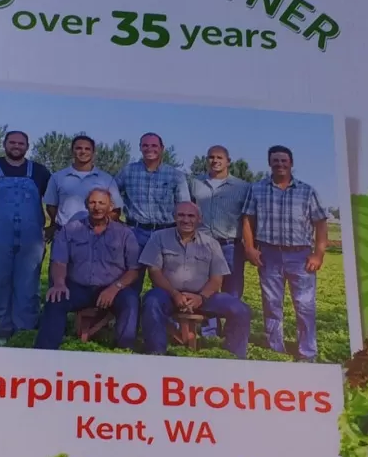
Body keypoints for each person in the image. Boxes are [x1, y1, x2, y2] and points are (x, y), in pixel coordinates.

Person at [240, 144, 328, 362]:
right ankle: (274, 348)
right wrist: (250, 249)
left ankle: (307, 352)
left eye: (284, 161)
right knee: (271, 303)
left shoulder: (307, 191)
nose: (280, 164)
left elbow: (321, 224)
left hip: (301, 256)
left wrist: (318, 255)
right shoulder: (257, 189)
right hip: (269, 254)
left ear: (291, 163)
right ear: (270, 163)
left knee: (305, 305)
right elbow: (247, 220)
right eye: (275, 160)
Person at [0, 131, 51, 345]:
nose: (16, 146)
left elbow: (53, 201)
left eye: (21, 143)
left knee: (28, 285)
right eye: (12, 142)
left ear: (27, 146)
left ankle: (25, 330)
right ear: (4, 144)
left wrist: (54, 226)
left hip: (30, 241)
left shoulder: (40, 172)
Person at [139, 202, 251, 358]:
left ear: (199, 219)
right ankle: (156, 352)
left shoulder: (211, 243)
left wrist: (201, 297)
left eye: (191, 216)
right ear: (174, 217)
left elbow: (217, 279)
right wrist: (175, 294)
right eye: (181, 215)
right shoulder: (158, 237)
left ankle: (235, 357)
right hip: (169, 295)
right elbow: (154, 272)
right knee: (151, 301)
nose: (186, 220)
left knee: (241, 310)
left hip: (203, 297)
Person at [34, 189, 140, 350]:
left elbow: (134, 269)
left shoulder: (125, 234)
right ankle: (45, 353)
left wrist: (115, 288)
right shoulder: (70, 230)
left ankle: (124, 350)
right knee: (55, 299)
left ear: (111, 207)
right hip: (79, 287)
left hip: (112, 288)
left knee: (131, 300)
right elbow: (59, 262)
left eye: (101, 203)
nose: (97, 207)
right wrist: (60, 284)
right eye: (92, 202)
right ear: (86, 206)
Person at [115, 132, 190, 291]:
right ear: (140, 148)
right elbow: (111, 196)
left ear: (162, 148)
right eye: (145, 145)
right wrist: (116, 221)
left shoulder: (176, 175)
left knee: (167, 281)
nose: (149, 149)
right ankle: (131, 314)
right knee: (131, 279)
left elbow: (184, 206)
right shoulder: (128, 171)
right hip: (136, 232)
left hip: (166, 232)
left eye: (154, 145)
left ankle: (159, 314)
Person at [189, 145, 251, 335]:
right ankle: (209, 330)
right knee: (206, 286)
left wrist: (249, 245)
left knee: (232, 289)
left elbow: (248, 218)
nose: (215, 161)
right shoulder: (195, 183)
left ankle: (233, 330)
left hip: (230, 245)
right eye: (211, 157)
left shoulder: (243, 187)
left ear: (228, 161)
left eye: (219, 158)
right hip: (202, 244)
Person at [43, 134, 123, 236]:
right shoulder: (57, 177)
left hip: (96, 235)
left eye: (87, 149)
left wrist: (100, 226)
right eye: (78, 148)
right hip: (64, 233)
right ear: (72, 151)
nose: (83, 151)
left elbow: (116, 210)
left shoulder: (106, 179)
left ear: (93, 152)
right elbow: (51, 206)